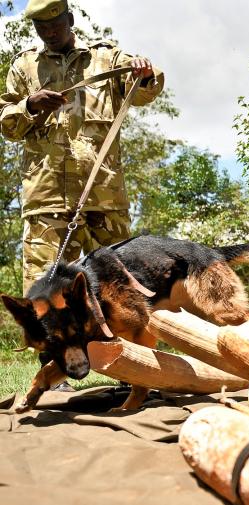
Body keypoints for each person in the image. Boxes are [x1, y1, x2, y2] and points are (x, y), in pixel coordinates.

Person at [0, 0, 163, 391]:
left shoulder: (105, 58)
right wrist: (29, 105)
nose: (49, 32)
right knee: (42, 287)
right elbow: (6, 122)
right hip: (47, 196)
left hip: (103, 195)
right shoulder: (24, 68)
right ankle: (52, 377)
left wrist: (146, 72)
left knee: (122, 284)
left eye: (55, 24)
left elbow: (145, 88)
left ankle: (133, 368)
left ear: (69, 20)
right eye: (41, 27)